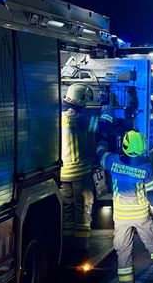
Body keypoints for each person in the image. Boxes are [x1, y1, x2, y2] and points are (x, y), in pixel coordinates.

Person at [97, 130, 153, 283]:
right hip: (141, 216)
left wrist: (103, 138)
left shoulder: (112, 161)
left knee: (123, 252)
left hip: (121, 217)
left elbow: (100, 154)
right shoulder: (147, 168)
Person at [59, 83, 97, 250]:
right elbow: (96, 131)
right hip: (80, 172)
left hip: (63, 173)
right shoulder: (82, 119)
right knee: (83, 206)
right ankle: (81, 244)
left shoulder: (59, 119)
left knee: (67, 206)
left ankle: (66, 241)